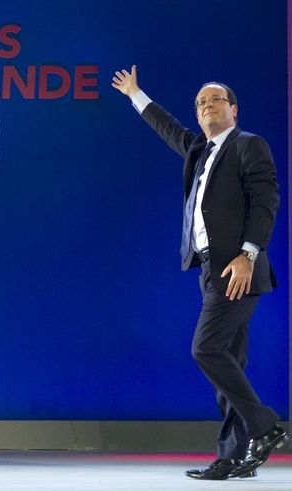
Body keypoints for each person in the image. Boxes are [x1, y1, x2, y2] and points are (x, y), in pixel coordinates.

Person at [111, 65, 288, 480]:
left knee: (206, 349)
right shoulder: (198, 151)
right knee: (229, 365)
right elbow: (167, 127)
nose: (208, 105)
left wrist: (248, 254)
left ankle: (265, 428)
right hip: (209, 268)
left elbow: (266, 200)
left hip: (237, 267)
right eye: (201, 103)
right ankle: (234, 457)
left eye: (216, 100)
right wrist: (136, 94)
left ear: (234, 109)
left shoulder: (248, 145)